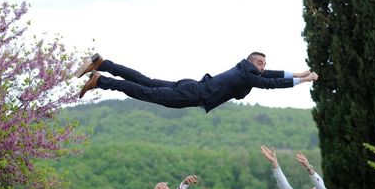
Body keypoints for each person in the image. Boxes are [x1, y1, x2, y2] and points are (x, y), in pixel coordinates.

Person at [76, 52, 318, 112]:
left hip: (192, 86)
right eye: (260, 63)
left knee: (146, 82)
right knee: (145, 91)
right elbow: (270, 84)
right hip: (192, 94)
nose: (263, 67)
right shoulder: (248, 74)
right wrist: (302, 82)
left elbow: (271, 75)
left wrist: (299, 73)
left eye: (264, 64)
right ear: (251, 62)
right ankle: (101, 80)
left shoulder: (246, 71)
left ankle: (103, 64)